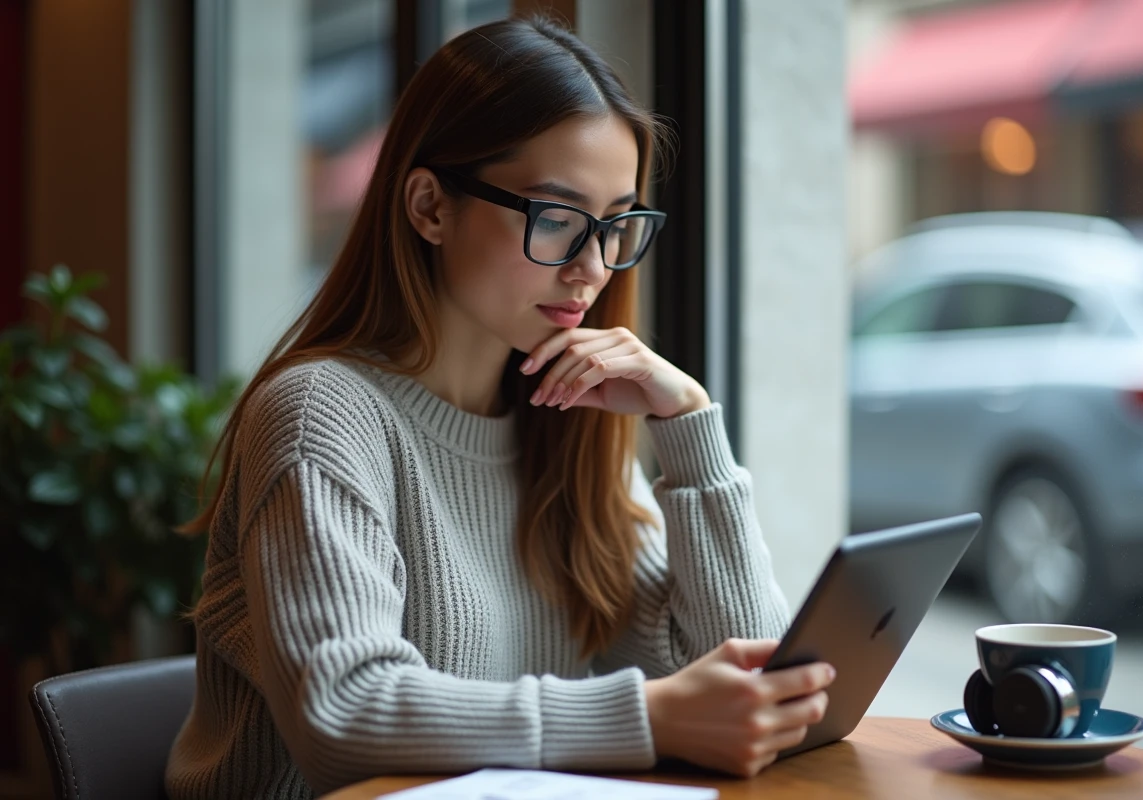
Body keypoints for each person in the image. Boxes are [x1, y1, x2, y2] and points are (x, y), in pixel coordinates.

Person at [166, 15, 834, 800]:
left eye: (617, 224)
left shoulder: (563, 420)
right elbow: (342, 715)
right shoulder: (322, 413)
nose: (591, 266)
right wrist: (647, 717)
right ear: (429, 207)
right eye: (556, 217)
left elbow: (753, 681)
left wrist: (687, 425)